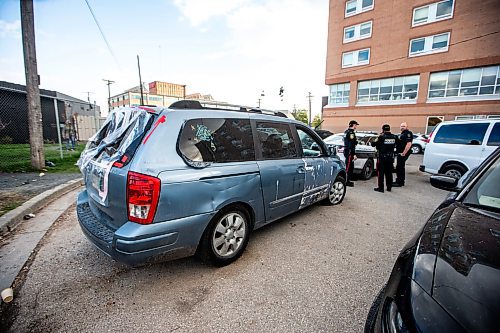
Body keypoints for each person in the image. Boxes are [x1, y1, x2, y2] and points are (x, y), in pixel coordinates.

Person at [372, 124, 398, 193]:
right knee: (389, 173)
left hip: (382, 158)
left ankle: (381, 188)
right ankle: (389, 187)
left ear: (383, 129)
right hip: (390, 157)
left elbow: (373, 144)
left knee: (381, 173)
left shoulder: (381, 137)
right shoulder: (394, 137)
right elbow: (399, 144)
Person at [393, 122, 413, 187]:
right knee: (399, 167)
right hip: (400, 153)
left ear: (407, 127)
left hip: (403, 153)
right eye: (401, 126)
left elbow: (409, 144)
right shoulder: (402, 134)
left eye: (404, 126)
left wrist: (404, 153)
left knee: (400, 167)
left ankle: (400, 182)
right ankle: (399, 181)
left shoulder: (408, 133)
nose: (402, 127)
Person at [344, 120, 358, 187]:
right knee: (348, 167)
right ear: (353, 125)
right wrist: (354, 154)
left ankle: (349, 179)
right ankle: (346, 181)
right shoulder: (351, 133)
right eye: (355, 125)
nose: (356, 126)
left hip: (347, 150)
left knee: (350, 166)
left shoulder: (346, 132)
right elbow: (351, 144)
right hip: (349, 152)